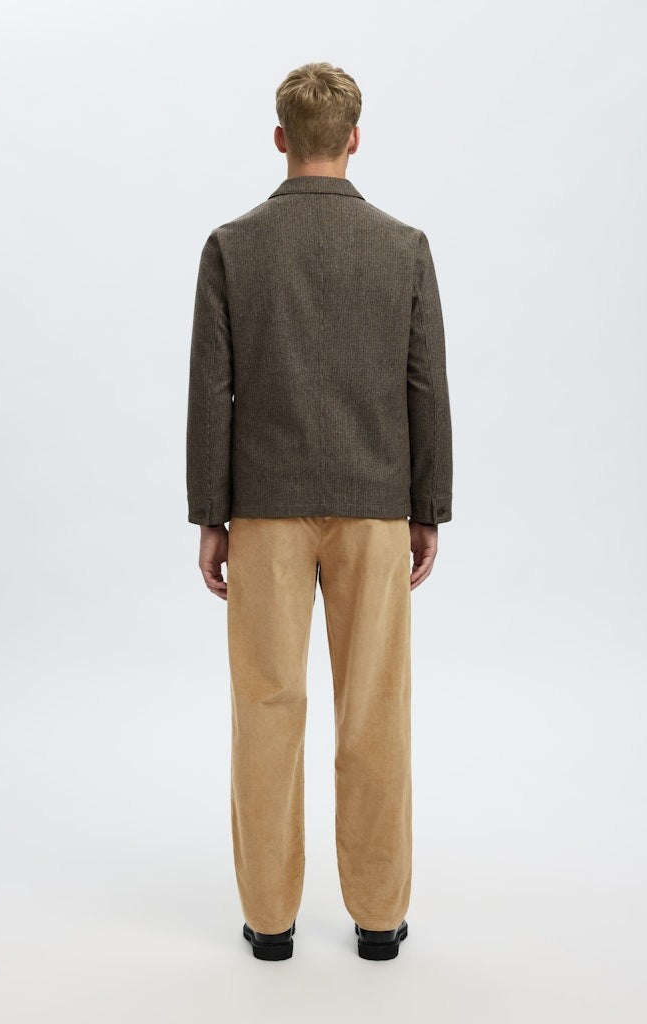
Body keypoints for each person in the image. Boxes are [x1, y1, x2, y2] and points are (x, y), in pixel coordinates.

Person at [186, 61, 453, 961]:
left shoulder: (233, 247)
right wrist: (428, 507)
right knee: (375, 709)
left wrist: (211, 514)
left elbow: (212, 392)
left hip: (264, 509)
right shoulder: (403, 247)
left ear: (280, 139)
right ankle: (378, 920)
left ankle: (269, 922)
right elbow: (425, 387)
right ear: (354, 139)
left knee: (266, 707)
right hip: (376, 508)